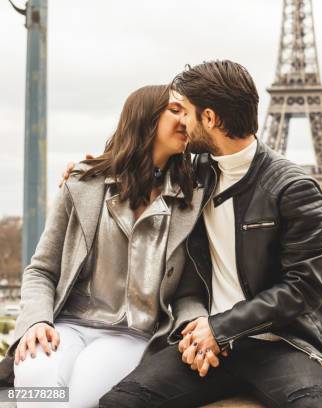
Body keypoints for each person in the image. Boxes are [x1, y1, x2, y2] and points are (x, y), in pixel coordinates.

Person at [99, 60, 322, 407]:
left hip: (280, 344)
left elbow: (304, 287)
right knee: (119, 403)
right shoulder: (192, 173)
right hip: (208, 343)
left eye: (186, 112)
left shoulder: (293, 188)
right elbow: (133, 164)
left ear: (210, 119)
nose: (181, 121)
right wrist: (89, 171)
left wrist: (221, 327)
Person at [0, 85, 207, 407]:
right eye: (175, 110)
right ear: (145, 118)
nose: (186, 120)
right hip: (68, 322)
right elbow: (41, 268)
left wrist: (195, 324)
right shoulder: (84, 183)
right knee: (33, 380)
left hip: (132, 332)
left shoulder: (191, 199)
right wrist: (37, 320)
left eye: (189, 113)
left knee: (80, 397)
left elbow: (188, 292)